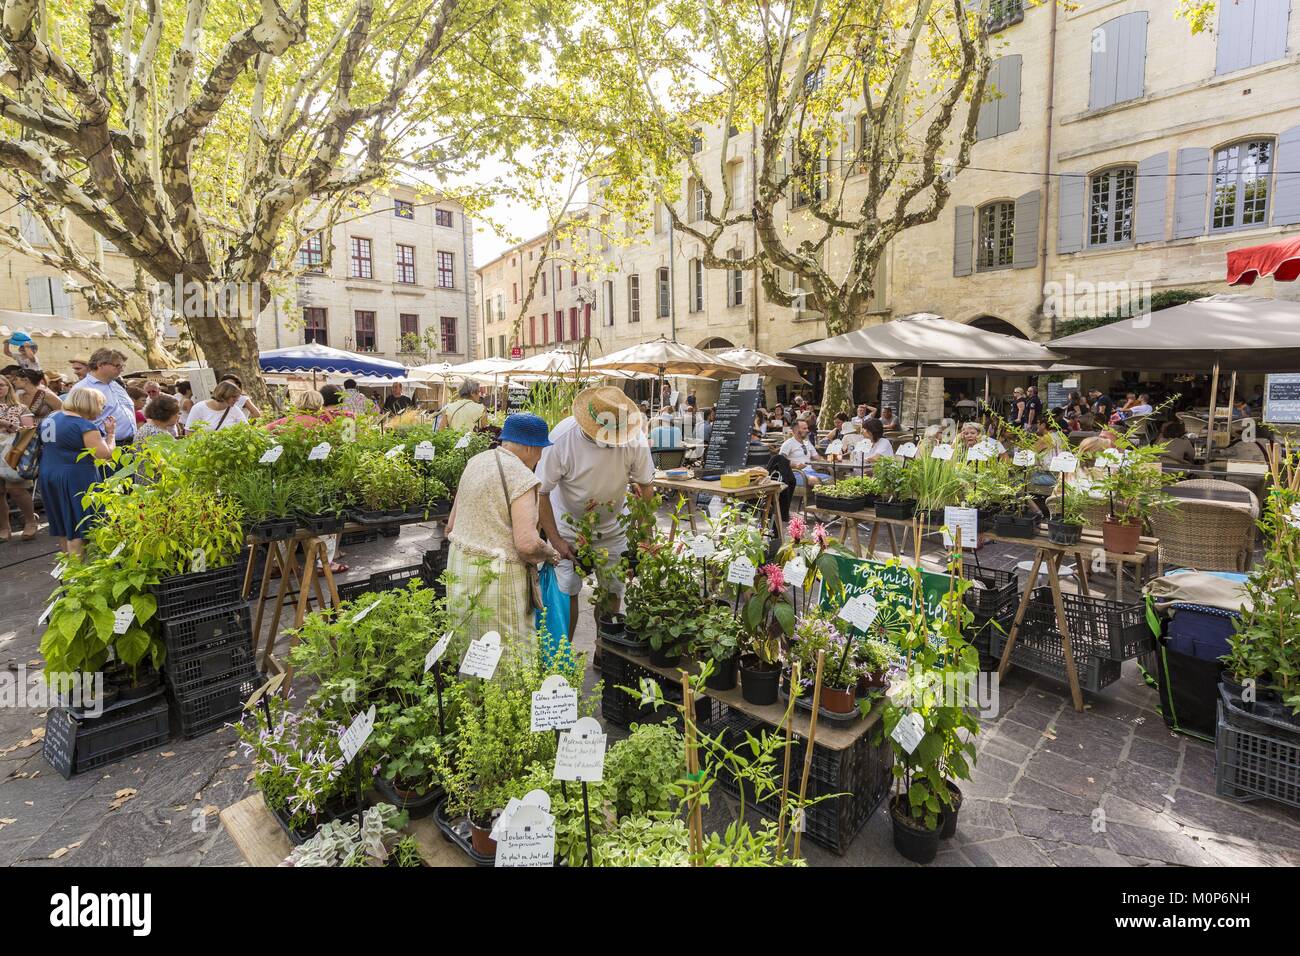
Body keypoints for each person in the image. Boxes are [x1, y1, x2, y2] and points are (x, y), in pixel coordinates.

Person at [537, 387, 655, 641]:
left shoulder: (633, 438)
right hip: (568, 526)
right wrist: (556, 541)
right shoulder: (562, 438)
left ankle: (604, 649)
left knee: (612, 591)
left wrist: (645, 538)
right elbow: (541, 492)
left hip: (613, 528)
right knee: (567, 590)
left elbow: (646, 486)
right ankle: (563, 655)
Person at [445, 413, 560, 647]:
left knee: (466, 646)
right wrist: (550, 553)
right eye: (540, 449)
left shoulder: (475, 461)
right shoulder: (521, 477)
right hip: (497, 580)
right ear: (529, 448)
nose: (540, 456)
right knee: (504, 653)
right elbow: (527, 545)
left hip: (459, 569)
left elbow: (450, 526)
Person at [38, 388, 116, 555]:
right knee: (78, 526)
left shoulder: (50, 418)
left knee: (63, 527)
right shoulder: (84, 425)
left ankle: (68, 572)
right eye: (101, 405)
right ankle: (78, 576)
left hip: (48, 473)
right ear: (90, 404)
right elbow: (105, 455)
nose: (102, 409)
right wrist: (111, 434)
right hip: (75, 477)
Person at [68, 348, 135, 444]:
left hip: (130, 443)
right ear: (100, 365)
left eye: (122, 365)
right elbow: (76, 422)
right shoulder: (82, 389)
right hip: (105, 445)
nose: (122, 369)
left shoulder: (115, 384)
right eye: (117, 365)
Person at [0, 376, 38, 540]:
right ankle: (4, 528)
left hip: (13, 453)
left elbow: (28, 431)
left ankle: (30, 522)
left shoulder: (20, 408)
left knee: (15, 489)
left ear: (8, 387)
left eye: (1, 385)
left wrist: (11, 427)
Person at [780, 418, 830, 488]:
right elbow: (780, 460)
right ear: (796, 430)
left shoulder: (807, 442)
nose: (807, 430)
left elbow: (817, 457)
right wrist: (794, 465)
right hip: (796, 474)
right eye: (804, 428)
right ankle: (819, 498)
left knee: (830, 479)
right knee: (815, 480)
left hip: (811, 472)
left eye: (807, 428)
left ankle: (825, 499)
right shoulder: (788, 443)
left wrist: (829, 462)